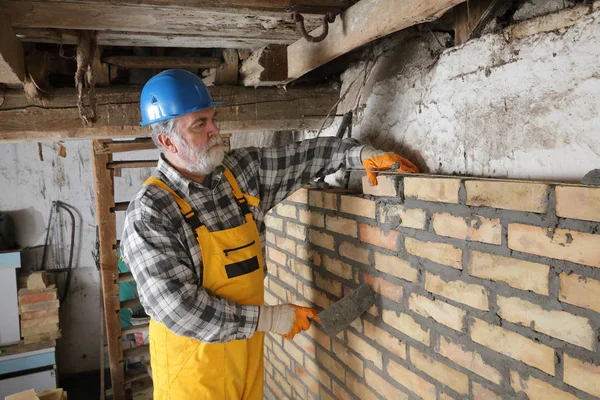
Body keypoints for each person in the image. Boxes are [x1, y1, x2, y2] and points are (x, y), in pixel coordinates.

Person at [121, 69, 418, 400]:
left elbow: (307, 157)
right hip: (193, 371)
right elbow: (180, 310)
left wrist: (361, 155)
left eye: (212, 119)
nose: (215, 130)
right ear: (166, 140)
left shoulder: (238, 174)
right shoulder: (151, 212)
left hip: (246, 354)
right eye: (199, 125)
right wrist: (274, 318)